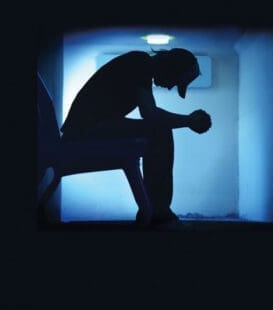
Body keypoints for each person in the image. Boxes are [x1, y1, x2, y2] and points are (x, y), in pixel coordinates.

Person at [60, 48, 212, 225]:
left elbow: (150, 114)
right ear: (171, 68)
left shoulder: (141, 64)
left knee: (159, 129)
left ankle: (156, 207)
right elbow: (151, 115)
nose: (171, 87)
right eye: (175, 81)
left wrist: (187, 121)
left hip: (84, 129)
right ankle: (158, 209)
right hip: (82, 132)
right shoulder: (141, 63)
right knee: (159, 130)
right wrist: (188, 121)